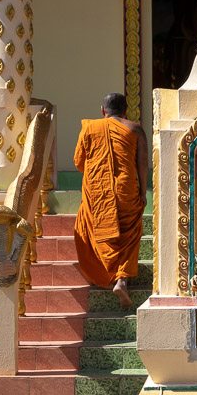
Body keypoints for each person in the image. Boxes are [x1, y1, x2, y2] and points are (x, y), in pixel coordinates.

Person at [73, 93, 148, 308]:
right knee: (128, 234)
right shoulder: (134, 129)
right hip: (127, 189)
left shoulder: (89, 128)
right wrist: (142, 193)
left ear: (102, 111)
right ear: (125, 111)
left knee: (97, 230)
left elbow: (79, 162)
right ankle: (121, 279)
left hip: (98, 190)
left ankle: (107, 275)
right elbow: (142, 164)